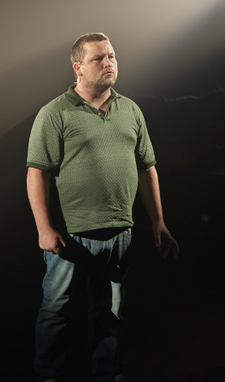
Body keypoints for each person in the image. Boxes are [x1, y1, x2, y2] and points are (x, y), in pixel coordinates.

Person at [26, 32, 180, 382]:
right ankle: (48, 376)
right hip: (71, 236)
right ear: (78, 68)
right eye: (98, 58)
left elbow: (147, 168)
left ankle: (107, 374)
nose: (108, 62)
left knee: (110, 312)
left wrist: (158, 220)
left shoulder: (130, 110)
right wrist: (43, 228)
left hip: (119, 232)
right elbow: (37, 173)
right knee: (57, 312)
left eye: (111, 56)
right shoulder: (55, 113)